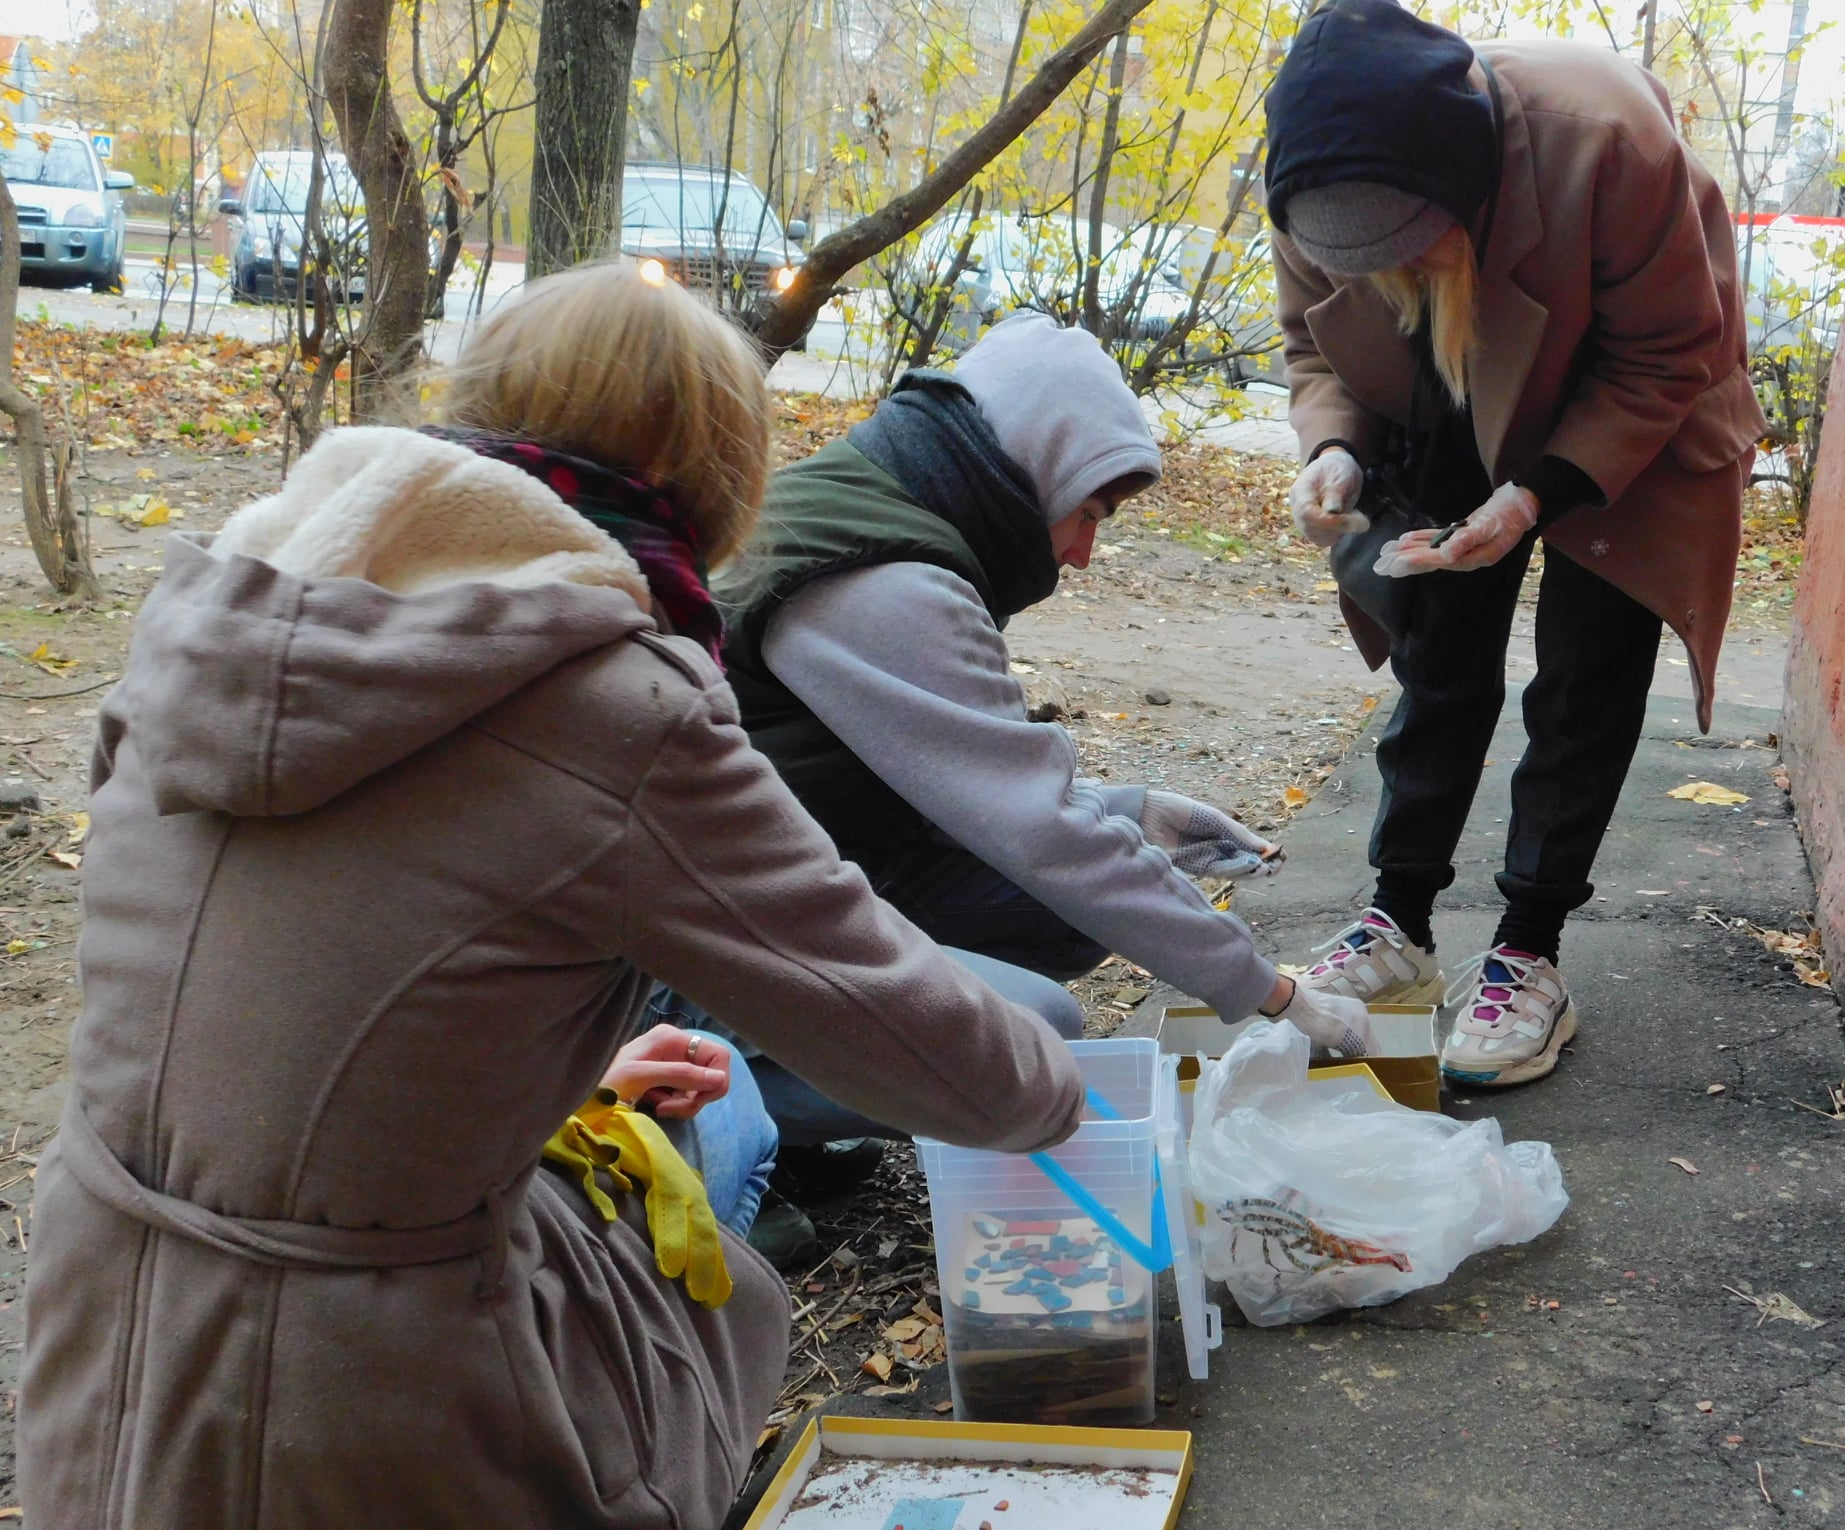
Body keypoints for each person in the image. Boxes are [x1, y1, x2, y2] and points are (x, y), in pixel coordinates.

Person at [20, 263, 1086, 1530]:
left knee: (688, 1132)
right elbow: (922, 1039)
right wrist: (1066, 1096)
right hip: (357, 1379)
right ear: (716, 476)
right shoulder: (614, 701)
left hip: (99, 1314)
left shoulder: (222, 616)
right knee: (706, 1276)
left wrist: (563, 1079)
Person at [712, 310, 1375, 1144]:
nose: (1082, 554)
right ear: (1031, 472)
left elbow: (948, 782)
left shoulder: (876, 500)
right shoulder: (884, 588)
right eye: (1087, 513)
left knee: (1062, 912)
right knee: (1031, 1035)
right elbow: (1042, 834)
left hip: (783, 875)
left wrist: (1137, 812)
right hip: (679, 953)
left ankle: (799, 1079)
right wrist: (1274, 992)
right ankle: (716, 1119)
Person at [1266, 0, 1766, 1087]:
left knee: (1585, 675)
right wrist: (1337, 449)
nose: (1370, 260)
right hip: (1446, 379)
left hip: (1634, 397)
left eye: (1400, 243)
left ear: (1466, 183)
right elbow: (1313, 341)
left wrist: (1536, 496)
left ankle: (1529, 953)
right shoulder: (1309, 173)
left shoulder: (1604, 134)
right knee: (1437, 648)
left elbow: (1673, 350)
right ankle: (1397, 923)